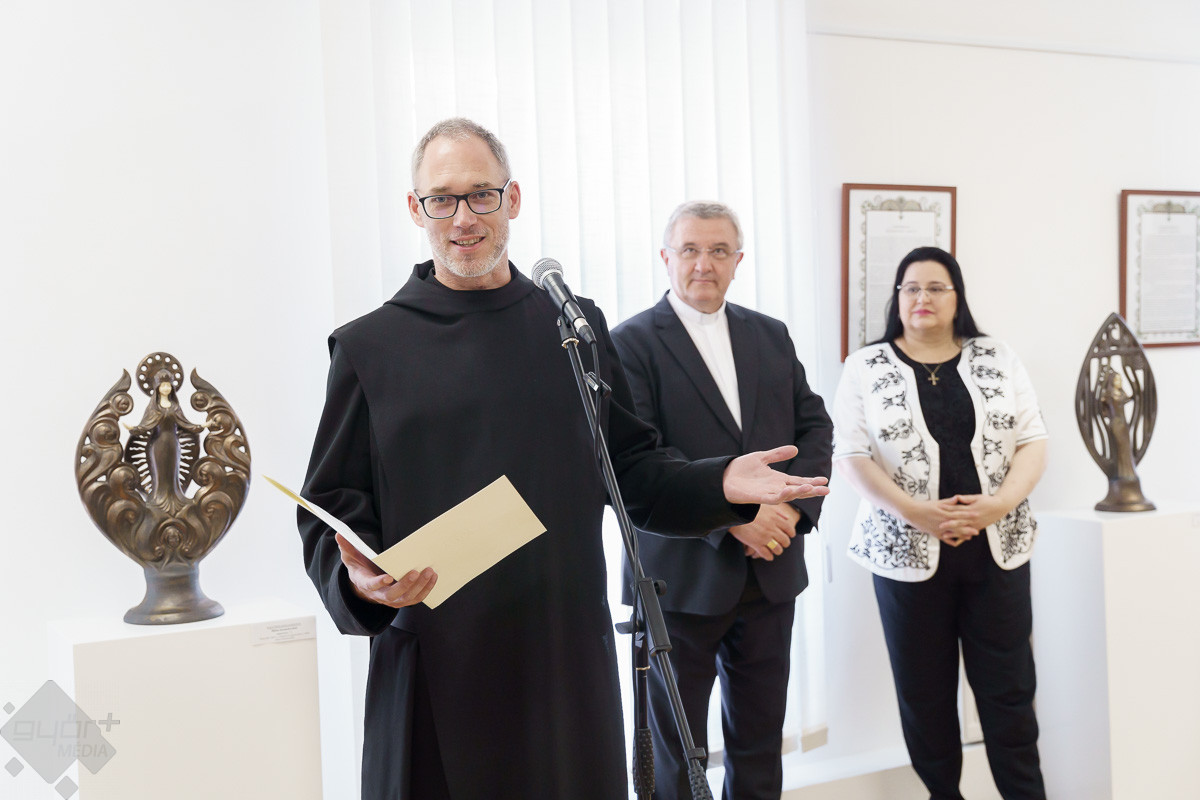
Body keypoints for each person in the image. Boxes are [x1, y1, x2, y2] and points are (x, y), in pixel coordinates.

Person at [296, 118, 830, 800]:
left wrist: (721, 482)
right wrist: (357, 579)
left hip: (562, 660)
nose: (463, 217)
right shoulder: (369, 347)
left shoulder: (574, 328)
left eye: (481, 194)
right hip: (438, 662)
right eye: (442, 199)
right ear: (415, 209)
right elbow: (330, 508)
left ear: (513, 199)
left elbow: (633, 472)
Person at [611, 201, 832, 800]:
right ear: (666, 258)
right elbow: (639, 459)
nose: (703, 264)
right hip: (679, 581)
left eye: (717, 251)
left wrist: (790, 511)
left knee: (760, 745)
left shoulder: (770, 334)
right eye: (689, 250)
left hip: (771, 570)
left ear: (738, 260)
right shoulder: (628, 343)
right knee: (677, 753)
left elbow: (814, 427)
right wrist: (733, 517)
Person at [831, 246, 1048, 800]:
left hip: (996, 549)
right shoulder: (865, 366)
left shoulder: (997, 356)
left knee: (1009, 694)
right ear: (897, 298)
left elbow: (1033, 439)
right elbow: (851, 455)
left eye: (935, 287)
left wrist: (998, 504)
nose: (922, 298)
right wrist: (916, 512)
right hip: (906, 555)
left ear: (957, 297)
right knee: (925, 696)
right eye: (911, 288)